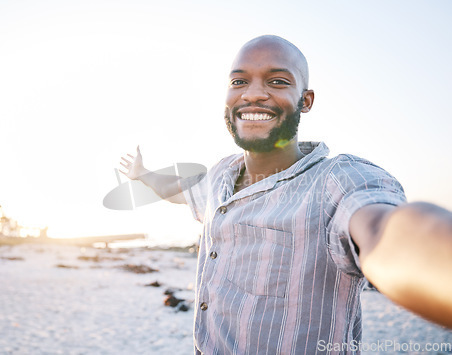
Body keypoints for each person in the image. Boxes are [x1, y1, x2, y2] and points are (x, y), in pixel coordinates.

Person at [119, 35, 452, 354]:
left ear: (305, 101)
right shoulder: (221, 175)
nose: (253, 94)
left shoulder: (336, 181)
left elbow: (384, 231)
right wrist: (142, 174)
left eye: (277, 81)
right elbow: (175, 190)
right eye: (239, 81)